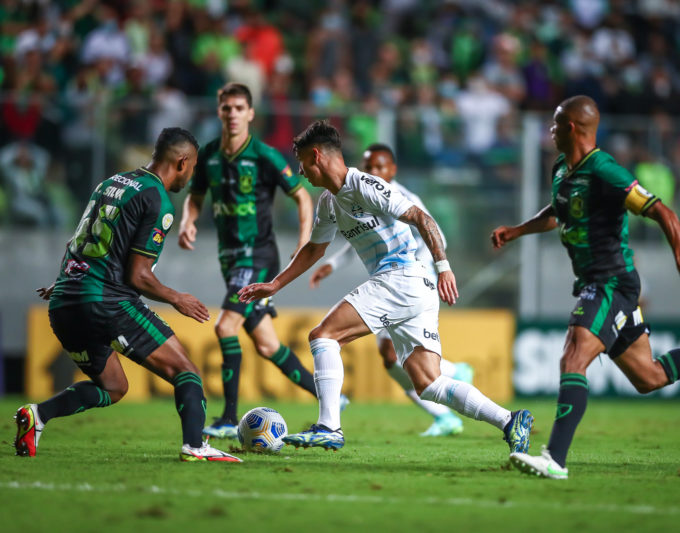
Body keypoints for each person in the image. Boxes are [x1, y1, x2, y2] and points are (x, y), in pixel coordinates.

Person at [491, 95, 680, 480]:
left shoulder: (606, 171)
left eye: (555, 122)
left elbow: (662, 211)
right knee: (648, 377)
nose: (549, 129)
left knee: (573, 356)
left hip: (611, 281)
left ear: (572, 128)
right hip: (597, 281)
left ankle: (555, 459)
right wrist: (517, 231)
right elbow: (558, 212)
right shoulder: (563, 168)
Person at [238, 120, 533, 454]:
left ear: (316, 155)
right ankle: (511, 420)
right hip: (413, 287)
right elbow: (313, 250)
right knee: (429, 383)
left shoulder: (364, 184)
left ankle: (329, 426)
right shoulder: (328, 203)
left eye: (303, 162)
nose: (302, 171)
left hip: (402, 278)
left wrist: (445, 267)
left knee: (323, 336)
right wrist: (275, 284)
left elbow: (423, 218)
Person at [15, 127, 240, 462]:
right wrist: (176, 297)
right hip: (106, 301)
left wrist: (66, 282)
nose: (191, 177)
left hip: (65, 301)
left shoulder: (110, 183)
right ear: (181, 162)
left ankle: (38, 415)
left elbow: (78, 240)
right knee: (186, 372)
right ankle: (195, 445)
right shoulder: (157, 200)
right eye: (193, 168)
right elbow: (139, 277)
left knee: (113, 387)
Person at [178, 83, 321, 439]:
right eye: (226, 108)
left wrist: (304, 240)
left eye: (239, 108)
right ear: (219, 111)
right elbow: (194, 196)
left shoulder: (265, 156)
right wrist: (188, 220)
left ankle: (228, 419)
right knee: (267, 344)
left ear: (250, 113)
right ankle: (331, 397)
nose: (232, 114)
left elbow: (303, 197)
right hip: (229, 258)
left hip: (258, 255)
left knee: (225, 327)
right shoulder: (208, 155)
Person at [309, 143, 474, 437]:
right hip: (392, 279)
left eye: (379, 167)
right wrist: (331, 265)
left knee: (392, 356)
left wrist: (427, 270)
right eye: (369, 167)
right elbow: (358, 235)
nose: (373, 172)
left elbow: (436, 233)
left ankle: (452, 374)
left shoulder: (401, 197)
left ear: (392, 170)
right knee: (392, 360)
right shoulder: (358, 193)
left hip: (410, 281)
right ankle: (445, 406)